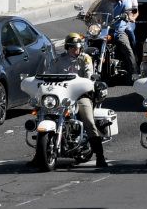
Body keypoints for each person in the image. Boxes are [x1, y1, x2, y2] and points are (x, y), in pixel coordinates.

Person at [42, 33, 107, 168]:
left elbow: (89, 76)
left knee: (89, 121)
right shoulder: (58, 60)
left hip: (80, 96)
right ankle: (39, 155)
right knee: (42, 115)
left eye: (77, 47)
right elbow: (49, 75)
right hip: (61, 97)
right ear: (67, 47)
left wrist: (89, 81)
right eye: (72, 47)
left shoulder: (85, 59)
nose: (75, 50)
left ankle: (100, 156)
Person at [106, 0, 137, 76]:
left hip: (117, 31)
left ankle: (134, 72)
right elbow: (95, 10)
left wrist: (129, 17)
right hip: (104, 31)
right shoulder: (103, 3)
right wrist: (88, 16)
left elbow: (129, 12)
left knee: (127, 48)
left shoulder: (123, 3)